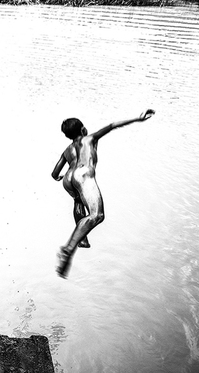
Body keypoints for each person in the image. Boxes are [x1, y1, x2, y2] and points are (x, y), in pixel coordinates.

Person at [51, 109, 155, 278]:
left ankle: (82, 239)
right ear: (83, 129)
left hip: (68, 179)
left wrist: (61, 177)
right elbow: (112, 126)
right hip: (83, 174)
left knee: (78, 201)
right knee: (97, 215)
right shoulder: (90, 138)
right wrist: (138, 118)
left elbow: (54, 174)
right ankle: (69, 248)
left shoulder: (67, 150)